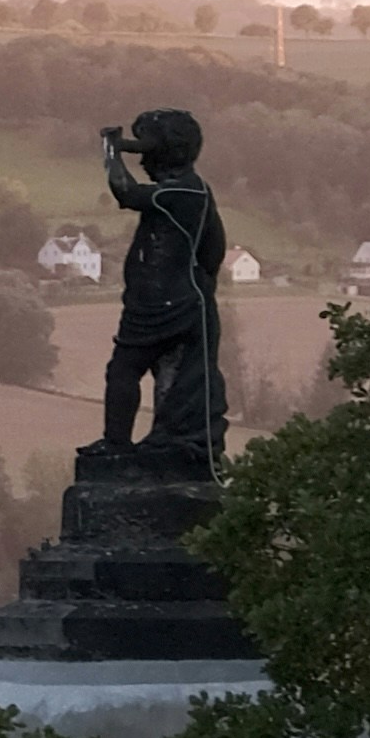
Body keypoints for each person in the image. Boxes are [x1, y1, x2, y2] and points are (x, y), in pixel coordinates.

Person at [94, 108, 225, 479]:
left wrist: (111, 150)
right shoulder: (193, 191)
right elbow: (214, 247)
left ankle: (125, 444)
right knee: (155, 373)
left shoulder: (184, 191)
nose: (144, 159)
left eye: (147, 149)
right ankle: (134, 443)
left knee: (129, 369)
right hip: (160, 302)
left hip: (168, 306)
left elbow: (126, 192)